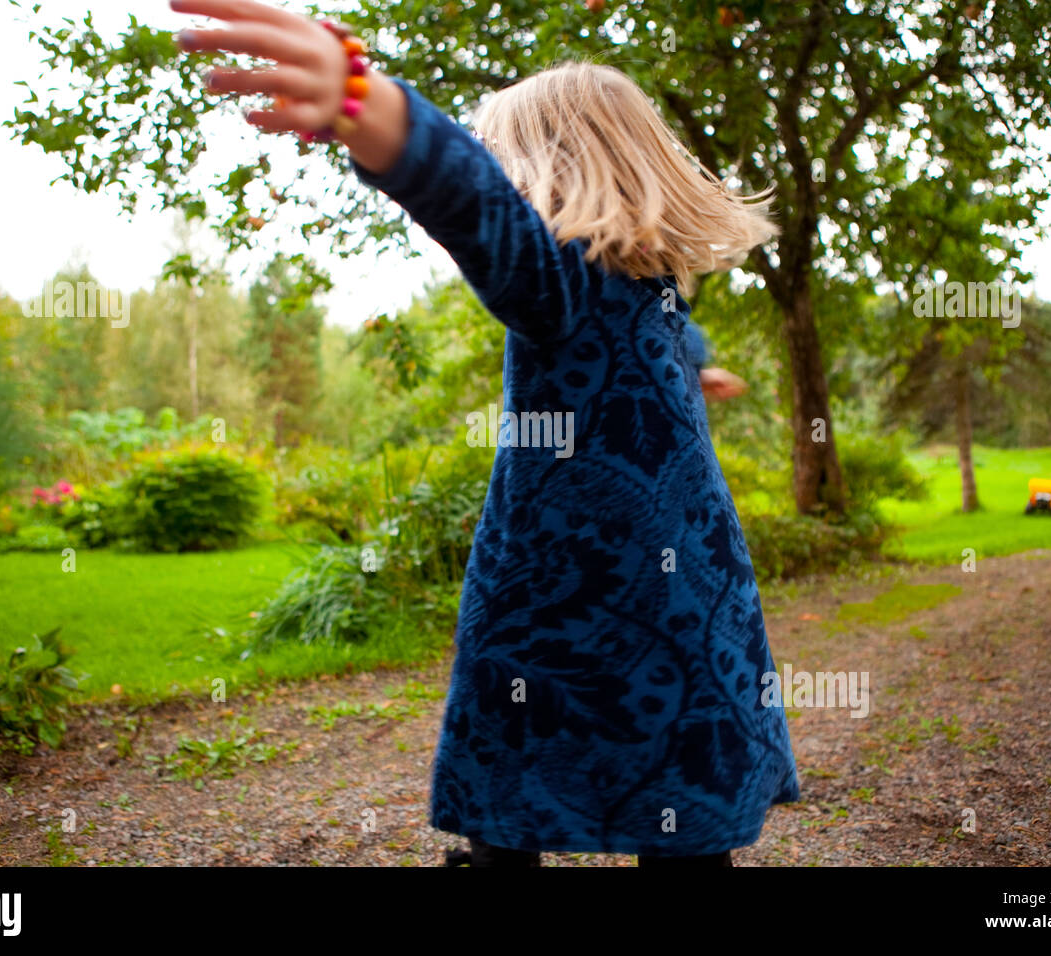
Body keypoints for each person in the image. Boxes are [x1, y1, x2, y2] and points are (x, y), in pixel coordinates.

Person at [173, 0, 800, 867]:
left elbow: (471, 200)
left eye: (508, 162)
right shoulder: (596, 289)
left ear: (544, 167)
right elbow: (477, 206)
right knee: (679, 799)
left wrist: (363, 98)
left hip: (560, 604)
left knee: (525, 794)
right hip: (691, 601)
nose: (500, 180)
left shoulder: (602, 287)